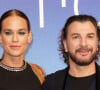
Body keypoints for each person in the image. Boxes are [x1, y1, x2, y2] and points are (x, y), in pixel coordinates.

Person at [42, 15, 100, 90]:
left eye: (90, 37)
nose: (83, 44)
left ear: (97, 43)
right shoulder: (51, 84)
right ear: (65, 45)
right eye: (76, 37)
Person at [0, 9, 45, 90]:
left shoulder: (38, 74)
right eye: (8, 33)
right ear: (0, 37)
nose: (15, 39)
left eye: (21, 33)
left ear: (29, 37)